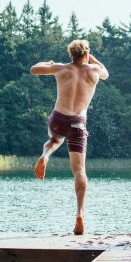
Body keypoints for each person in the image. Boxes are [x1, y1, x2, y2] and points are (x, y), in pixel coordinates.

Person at [30, 39, 109, 235]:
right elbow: (106, 73)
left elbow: (34, 69)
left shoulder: (61, 68)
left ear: (70, 54)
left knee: (54, 140)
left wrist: (49, 64)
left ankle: (45, 155)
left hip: (58, 118)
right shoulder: (93, 71)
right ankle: (80, 214)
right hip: (78, 123)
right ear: (86, 53)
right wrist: (92, 57)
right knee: (79, 170)